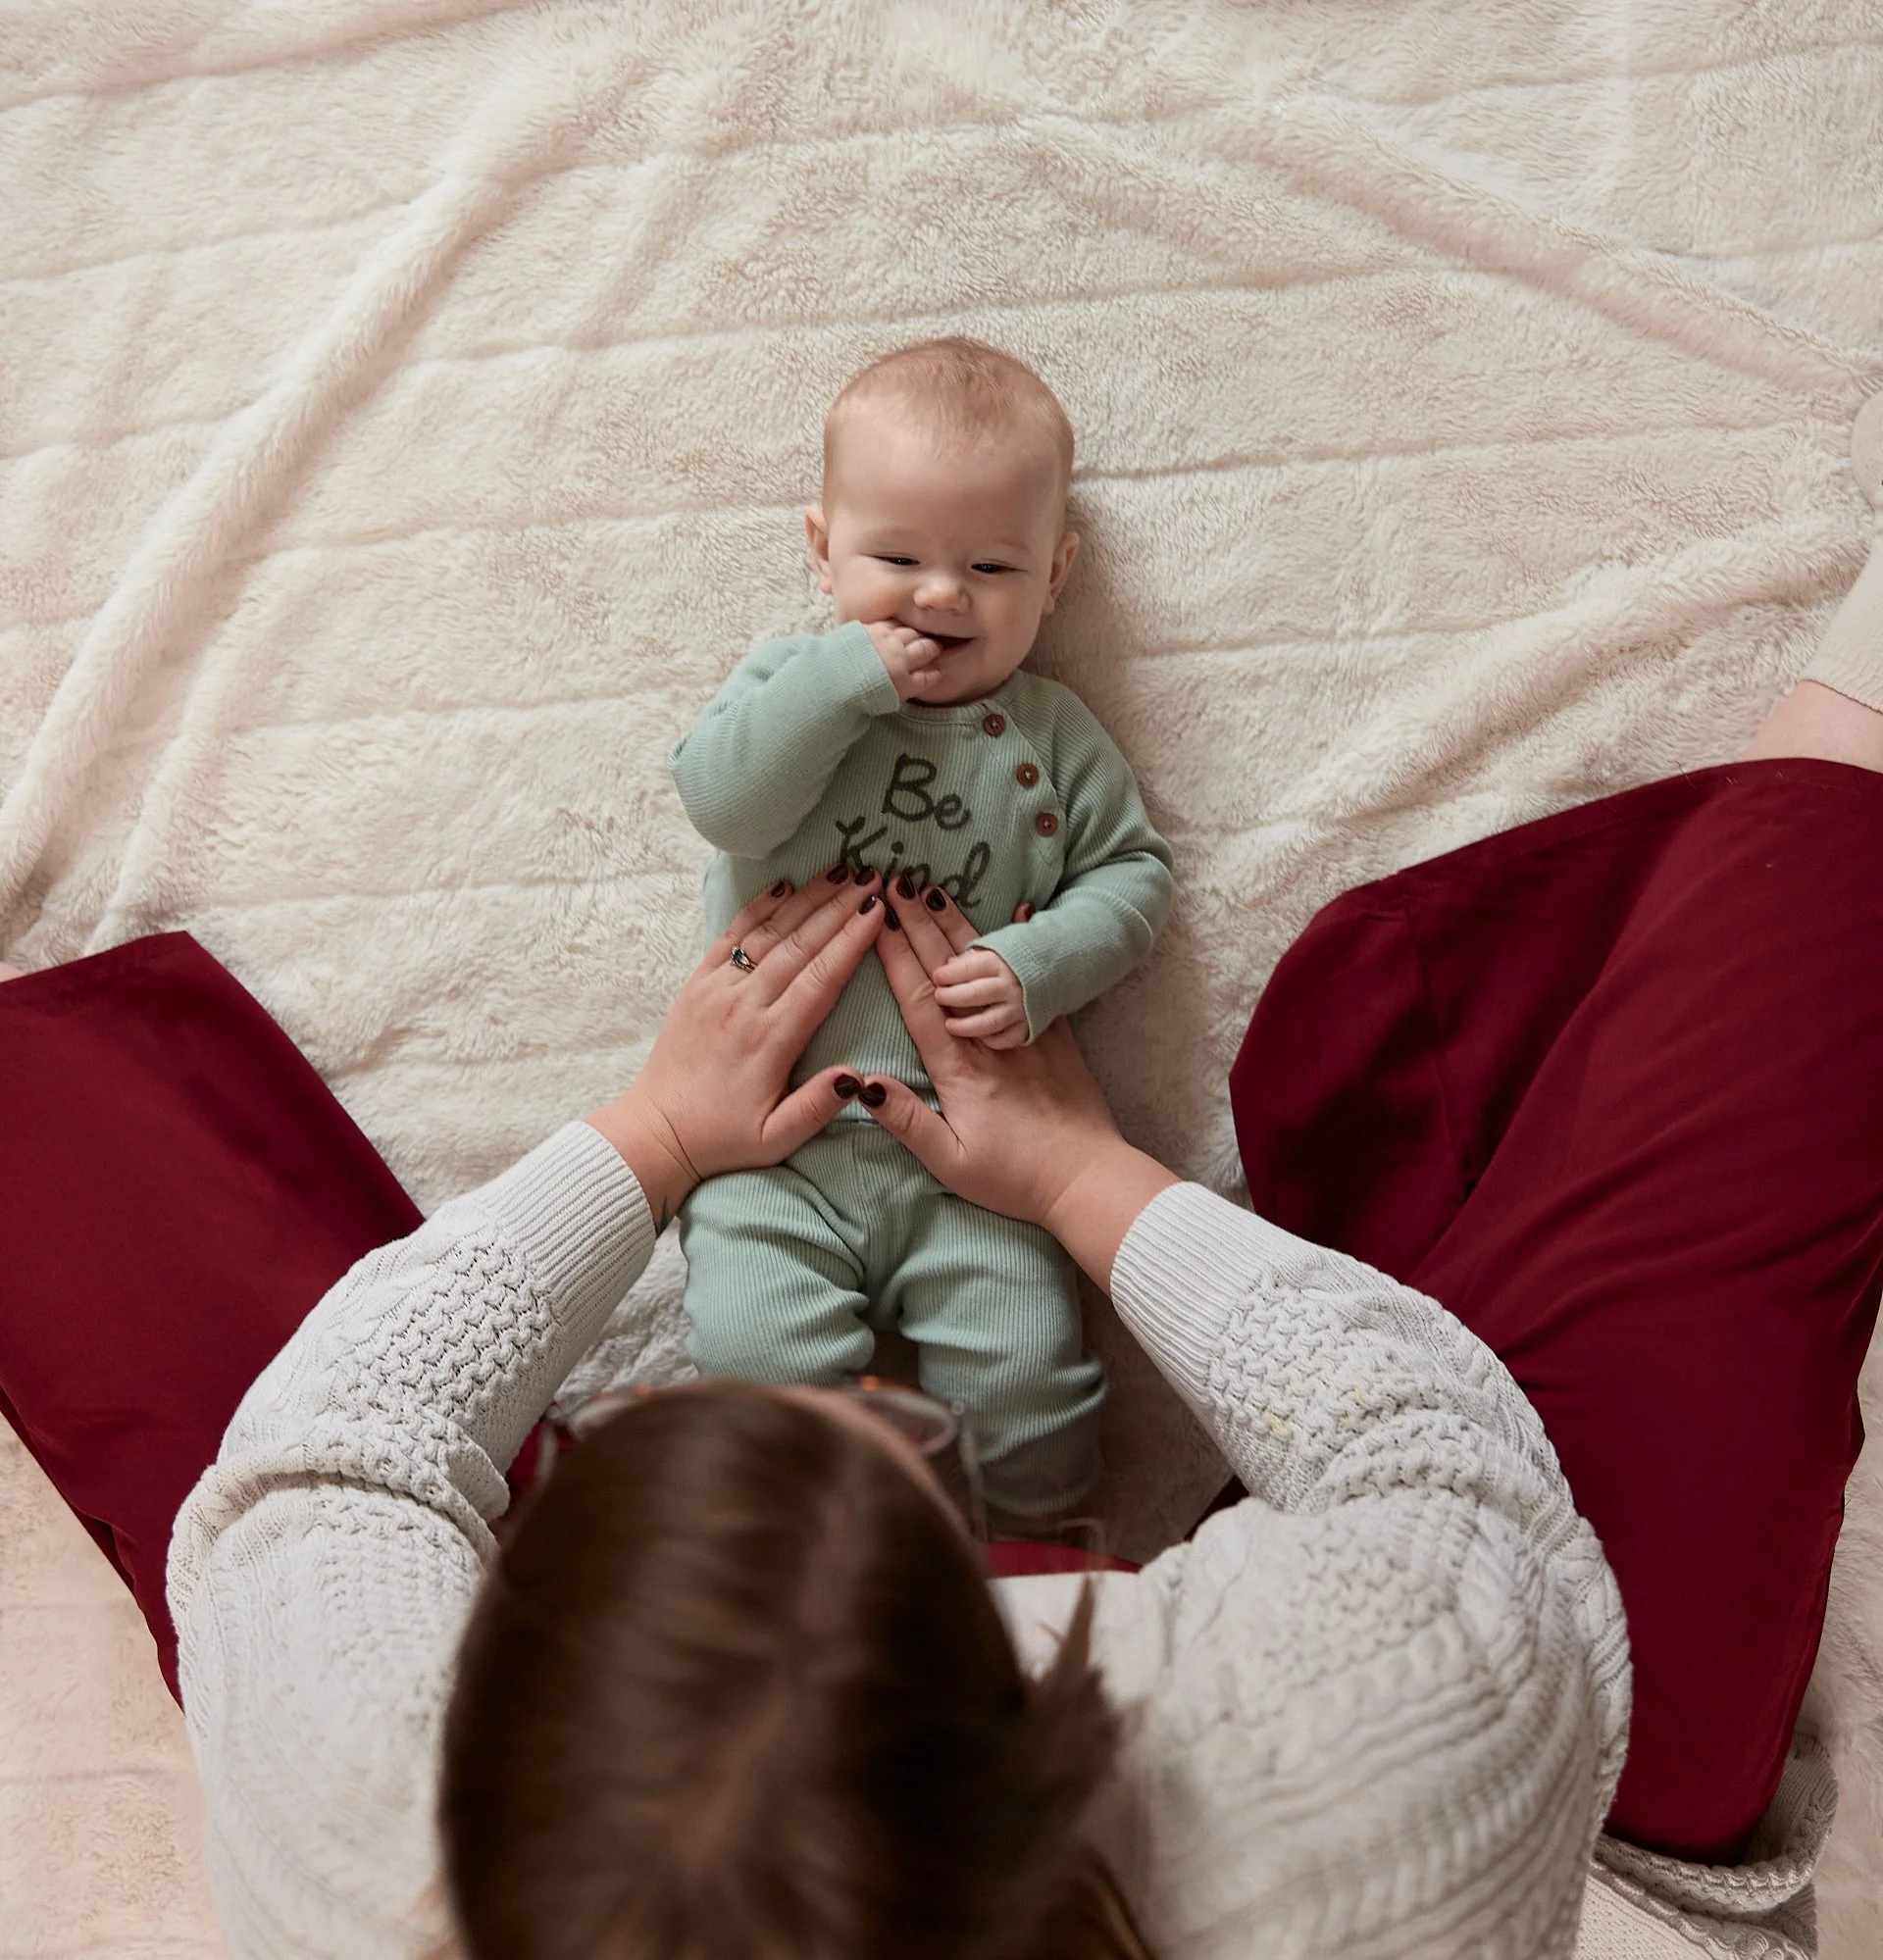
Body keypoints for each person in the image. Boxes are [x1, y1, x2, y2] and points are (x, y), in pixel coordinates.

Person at [0, 411, 1876, 1959]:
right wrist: (1092, 1172)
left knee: (125, 1261)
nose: (907, 1424)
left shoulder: (364, 1835)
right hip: (1530, 1835)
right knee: (1735, 1147)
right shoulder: (1368, 1758)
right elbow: (1440, 1461)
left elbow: (316, 1460)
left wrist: (648, 1134)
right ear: (1034, 1656)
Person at [669, 336, 1174, 1527]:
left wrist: (1039, 965)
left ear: (1056, 579)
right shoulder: (791, 683)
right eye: (895, 558)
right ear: (821, 550)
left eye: (989, 567)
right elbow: (722, 800)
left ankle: (1023, 1566)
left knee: (1031, 1385)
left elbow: (1134, 878)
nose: (939, 597)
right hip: (773, 1151)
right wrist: (848, 675)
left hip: (976, 1159)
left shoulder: (1048, 730)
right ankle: (814, 1567)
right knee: (754, 1360)